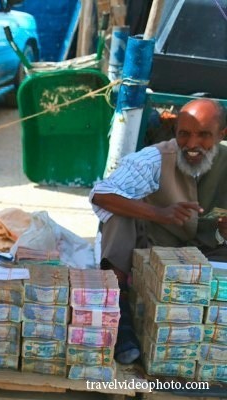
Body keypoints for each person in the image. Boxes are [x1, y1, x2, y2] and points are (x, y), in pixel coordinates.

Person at [90, 98, 227, 364]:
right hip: (153, 246)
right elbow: (101, 194)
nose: (191, 145)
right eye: (184, 134)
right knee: (117, 216)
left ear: (223, 134)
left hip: (210, 250)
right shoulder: (156, 158)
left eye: (204, 135)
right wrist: (158, 213)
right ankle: (120, 315)